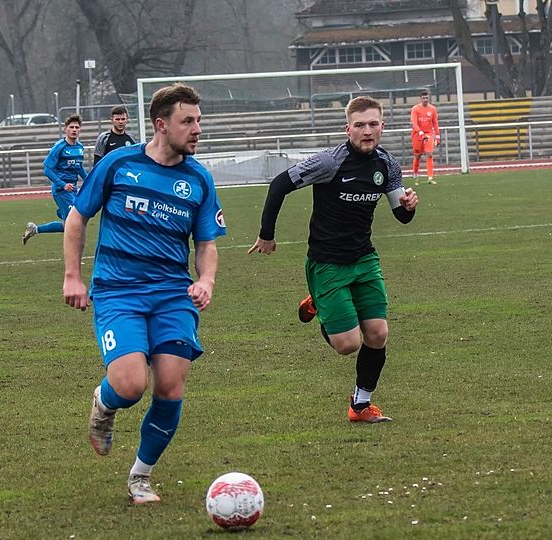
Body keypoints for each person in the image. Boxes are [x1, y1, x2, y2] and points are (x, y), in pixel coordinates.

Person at [62, 83, 226, 505]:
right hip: (118, 292)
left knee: (170, 387)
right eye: (187, 121)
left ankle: (140, 477)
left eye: (199, 120)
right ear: (161, 124)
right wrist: (72, 277)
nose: (197, 129)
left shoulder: (199, 179)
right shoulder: (119, 163)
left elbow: (206, 244)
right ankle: (104, 404)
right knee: (131, 384)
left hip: (172, 295)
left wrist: (206, 280)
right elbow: (77, 217)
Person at [248, 96, 418, 423]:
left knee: (378, 334)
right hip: (327, 263)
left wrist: (408, 206)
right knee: (347, 344)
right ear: (347, 128)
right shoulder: (330, 162)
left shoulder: (388, 165)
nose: (367, 131)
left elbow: (401, 215)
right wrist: (266, 234)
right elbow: (280, 184)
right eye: (359, 125)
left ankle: (360, 405)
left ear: (382, 126)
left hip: (364, 260)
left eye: (373, 124)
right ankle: (320, 303)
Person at [22, 115, 88, 244]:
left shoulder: (80, 147)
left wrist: (89, 180)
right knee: (75, 223)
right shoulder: (59, 147)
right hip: (61, 190)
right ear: (65, 129)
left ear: (80, 130)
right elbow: (47, 170)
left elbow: (79, 167)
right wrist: (63, 184)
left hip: (73, 189)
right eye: (71, 127)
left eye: (77, 127)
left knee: (69, 224)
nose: (74, 130)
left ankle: (35, 229)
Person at [410, 89, 440, 185]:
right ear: (420, 98)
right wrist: (421, 133)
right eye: (424, 98)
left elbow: (435, 123)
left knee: (429, 154)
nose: (425, 99)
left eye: (427, 98)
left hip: (429, 133)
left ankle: (430, 177)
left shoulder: (432, 109)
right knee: (417, 156)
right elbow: (414, 123)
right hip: (417, 134)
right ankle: (415, 174)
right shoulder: (415, 109)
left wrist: (437, 136)